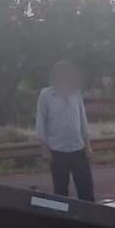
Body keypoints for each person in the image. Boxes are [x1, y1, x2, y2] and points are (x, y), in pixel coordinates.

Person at [35, 60, 95, 202]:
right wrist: (44, 149)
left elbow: (82, 120)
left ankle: (90, 217)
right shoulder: (46, 95)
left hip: (78, 148)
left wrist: (88, 145)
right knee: (61, 190)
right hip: (57, 150)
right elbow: (40, 123)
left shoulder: (76, 93)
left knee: (85, 187)